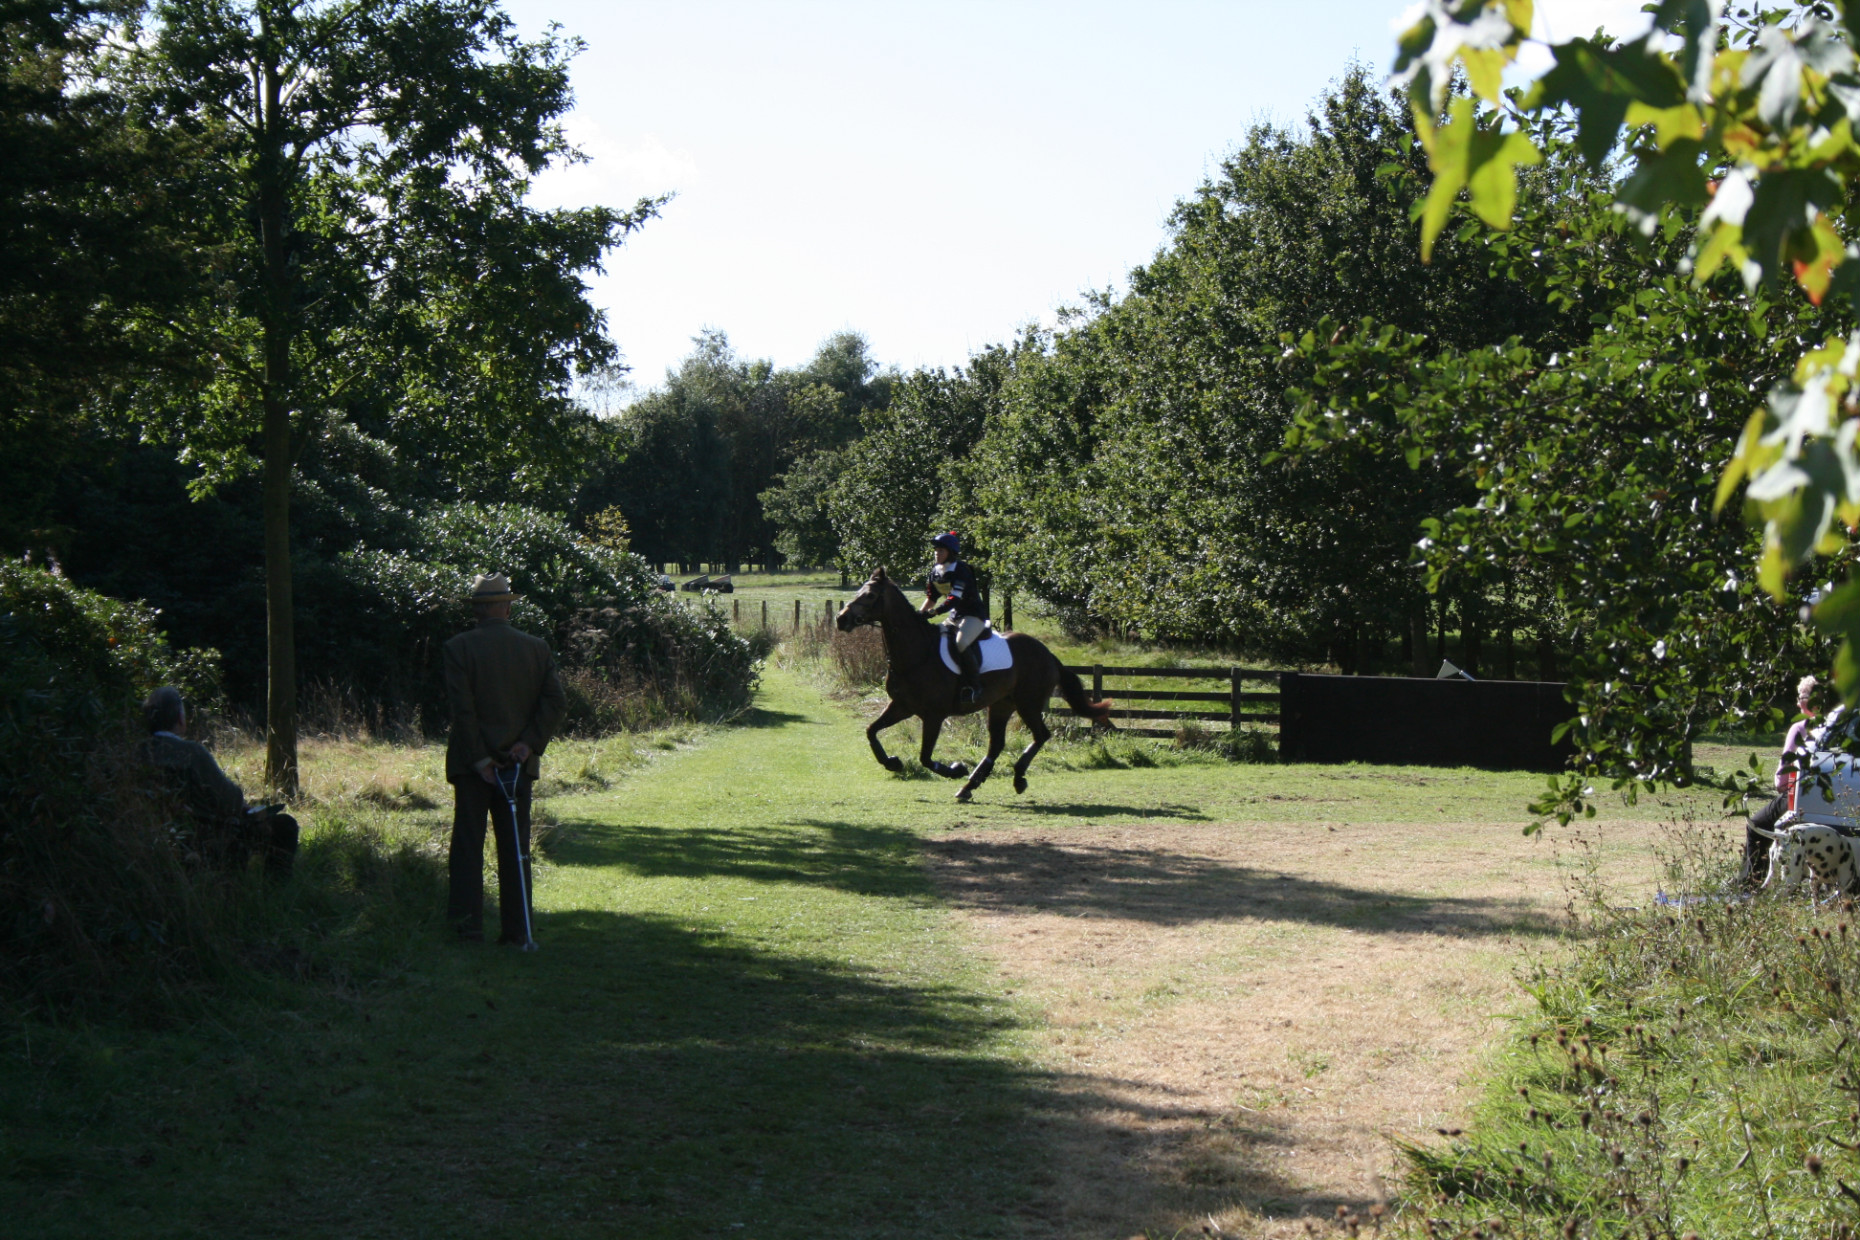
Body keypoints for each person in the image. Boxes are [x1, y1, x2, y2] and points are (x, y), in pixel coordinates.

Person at [444, 573, 567, 946]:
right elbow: (555, 702)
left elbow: (462, 711)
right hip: (516, 764)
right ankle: (516, 931)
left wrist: (481, 760)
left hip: (471, 767)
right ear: (506, 607)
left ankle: (467, 929)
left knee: (468, 846)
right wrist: (527, 744)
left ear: (479, 610)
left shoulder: (458, 648)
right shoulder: (536, 647)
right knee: (516, 848)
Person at [138, 686, 298, 880]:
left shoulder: (136, 752)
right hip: (206, 835)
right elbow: (229, 799)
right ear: (180, 718)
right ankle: (274, 893)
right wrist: (245, 808)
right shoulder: (192, 753)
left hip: (152, 838)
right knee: (285, 826)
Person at [1742, 675, 1834, 885]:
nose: (1800, 701)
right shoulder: (1836, 727)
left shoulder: (1799, 728)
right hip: (1828, 797)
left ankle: (1751, 882)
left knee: (1756, 824)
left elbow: (1783, 777)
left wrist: (1780, 785)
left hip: (1800, 795)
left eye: (1804, 696)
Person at [920, 531, 988, 705]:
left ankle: (975, 686)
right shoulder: (935, 571)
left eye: (941, 550)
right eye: (936, 550)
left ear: (950, 552)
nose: (937, 553)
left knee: (960, 643)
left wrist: (935, 612)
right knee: (936, 641)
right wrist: (919, 615)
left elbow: (954, 598)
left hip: (973, 615)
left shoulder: (961, 569)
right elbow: (931, 598)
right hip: (955, 616)